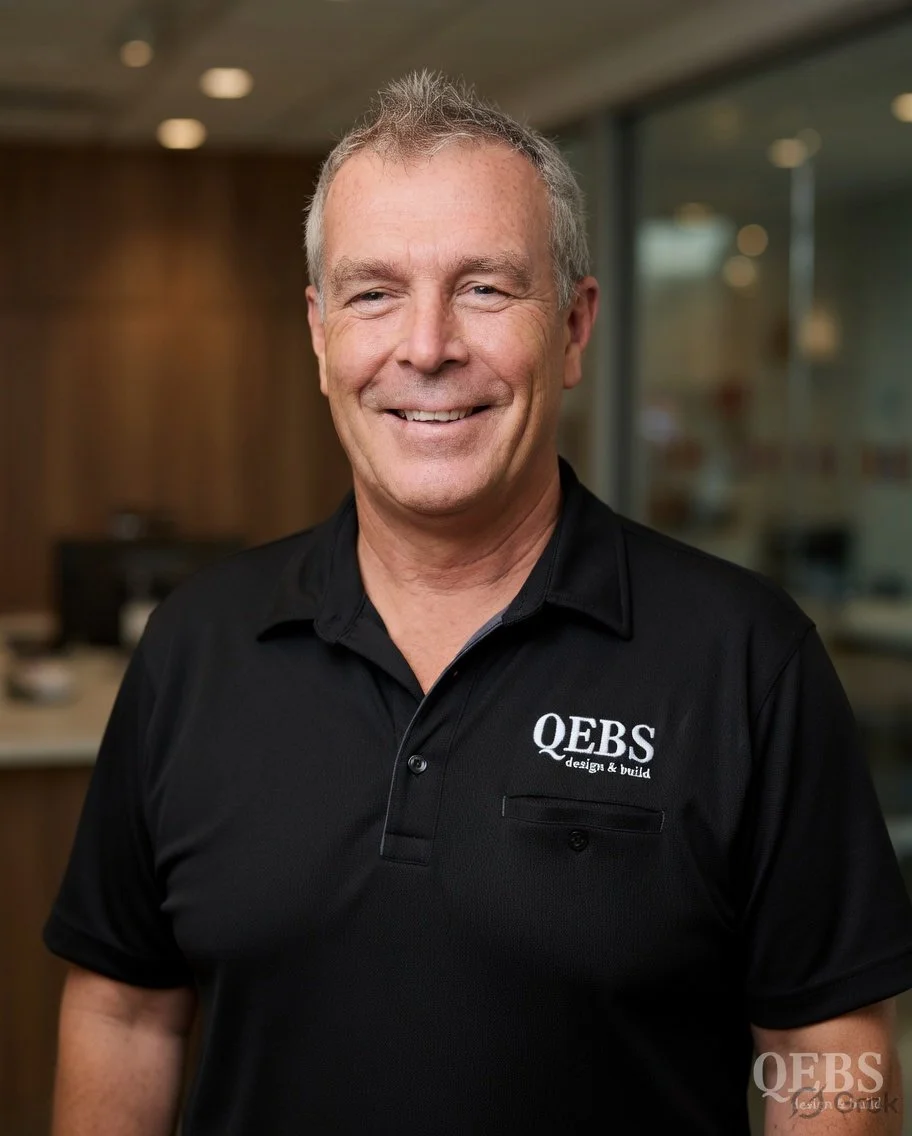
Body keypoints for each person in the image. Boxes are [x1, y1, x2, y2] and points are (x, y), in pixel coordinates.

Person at [45, 71, 912, 1135]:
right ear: (320, 334)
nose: (427, 346)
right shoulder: (196, 643)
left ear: (577, 325)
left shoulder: (746, 656)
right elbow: (126, 1009)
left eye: (487, 288)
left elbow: (826, 1042)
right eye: (373, 292)